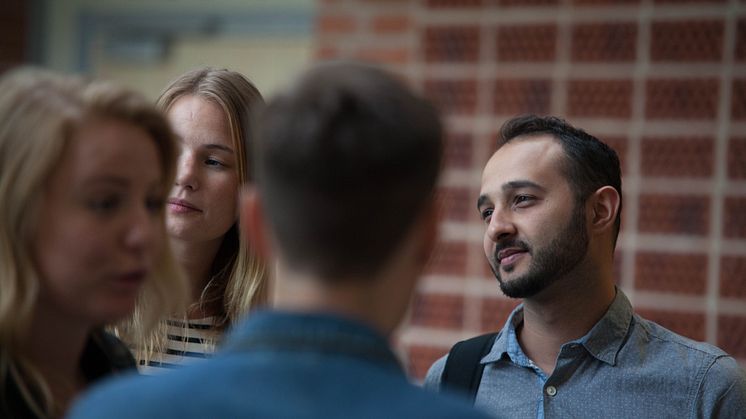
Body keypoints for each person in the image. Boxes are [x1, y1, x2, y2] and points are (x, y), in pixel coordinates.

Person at [68, 61, 491, 419]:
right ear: (431, 233)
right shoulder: (80, 320)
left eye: (214, 160)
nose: (185, 176)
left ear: (255, 215)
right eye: (173, 153)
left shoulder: (113, 407)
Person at [425, 115, 746, 418]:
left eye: (522, 199)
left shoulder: (704, 388)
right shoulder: (451, 379)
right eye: (487, 212)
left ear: (599, 211)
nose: (496, 228)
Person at [0, 68, 187, 418]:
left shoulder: (112, 363)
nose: (144, 234)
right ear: (13, 210)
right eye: (105, 203)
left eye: (151, 203)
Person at [119, 68, 269, 373]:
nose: (185, 175)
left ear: (252, 184)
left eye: (214, 161)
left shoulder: (267, 333)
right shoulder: (91, 304)